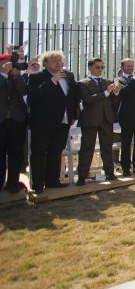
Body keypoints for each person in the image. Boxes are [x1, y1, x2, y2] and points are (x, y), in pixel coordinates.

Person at [27, 50, 80, 193]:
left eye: (60, 60)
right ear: (45, 63)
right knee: (39, 152)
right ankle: (37, 184)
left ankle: (52, 181)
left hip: (63, 121)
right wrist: (52, 81)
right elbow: (32, 97)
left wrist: (73, 115)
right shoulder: (37, 77)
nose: (59, 63)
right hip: (43, 123)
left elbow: (73, 97)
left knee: (56, 151)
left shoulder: (68, 76)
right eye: (55, 60)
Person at [76, 57, 121, 185]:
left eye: (102, 67)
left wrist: (116, 93)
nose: (100, 70)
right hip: (90, 119)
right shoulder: (82, 83)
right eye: (97, 67)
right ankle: (82, 176)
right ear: (90, 67)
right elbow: (87, 99)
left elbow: (113, 102)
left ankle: (109, 173)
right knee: (86, 148)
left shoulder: (108, 82)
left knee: (107, 147)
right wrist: (106, 93)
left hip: (106, 118)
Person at [0, 53, 28, 193]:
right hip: (2, 121)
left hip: (17, 121)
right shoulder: (2, 76)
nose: (9, 65)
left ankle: (13, 183)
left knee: (16, 154)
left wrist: (16, 75)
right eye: (6, 63)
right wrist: (4, 74)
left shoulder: (17, 77)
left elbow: (24, 91)